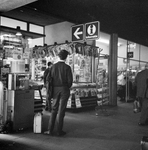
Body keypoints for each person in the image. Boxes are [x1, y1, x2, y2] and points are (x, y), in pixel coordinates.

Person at [44, 49, 73, 136]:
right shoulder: (67, 67)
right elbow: (70, 82)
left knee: (54, 109)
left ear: (58, 56)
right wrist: (65, 87)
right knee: (61, 110)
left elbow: (49, 79)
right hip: (64, 90)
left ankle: (49, 130)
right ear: (66, 57)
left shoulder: (53, 67)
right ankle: (59, 131)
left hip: (55, 90)